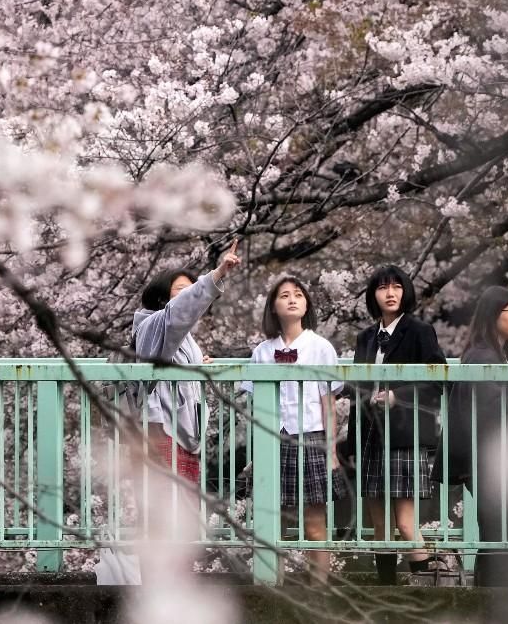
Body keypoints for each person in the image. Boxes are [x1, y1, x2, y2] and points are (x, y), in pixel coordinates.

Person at [341, 265, 447, 584]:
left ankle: (428, 588)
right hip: (371, 434)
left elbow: (437, 379)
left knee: (404, 523)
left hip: (404, 436)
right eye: (383, 287)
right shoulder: (366, 337)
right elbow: (359, 388)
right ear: (373, 295)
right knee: (379, 525)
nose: (390, 293)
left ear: (405, 292)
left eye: (397, 287)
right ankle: (386, 590)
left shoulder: (419, 331)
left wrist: (396, 396)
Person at [438, 285, 508, 587]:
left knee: (501, 537)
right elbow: (489, 406)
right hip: (486, 459)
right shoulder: (480, 356)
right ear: (492, 314)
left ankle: (489, 603)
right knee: (502, 536)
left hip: (496, 458)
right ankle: (490, 603)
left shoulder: (501, 355)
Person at [242, 276, 347, 583]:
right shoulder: (262, 351)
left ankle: (320, 589)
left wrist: (331, 449)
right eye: (284, 295)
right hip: (271, 439)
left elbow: (329, 403)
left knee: (315, 520)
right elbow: (253, 403)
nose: (291, 299)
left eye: (298, 295)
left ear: (306, 304)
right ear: (273, 307)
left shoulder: (321, 347)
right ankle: (272, 586)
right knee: (270, 520)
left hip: (312, 438)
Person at [131, 240, 240, 483]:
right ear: (162, 298)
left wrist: (198, 363)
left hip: (181, 431)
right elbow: (179, 313)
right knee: (167, 510)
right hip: (162, 430)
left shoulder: (179, 334)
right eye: (182, 290)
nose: (189, 295)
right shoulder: (154, 323)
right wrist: (218, 273)